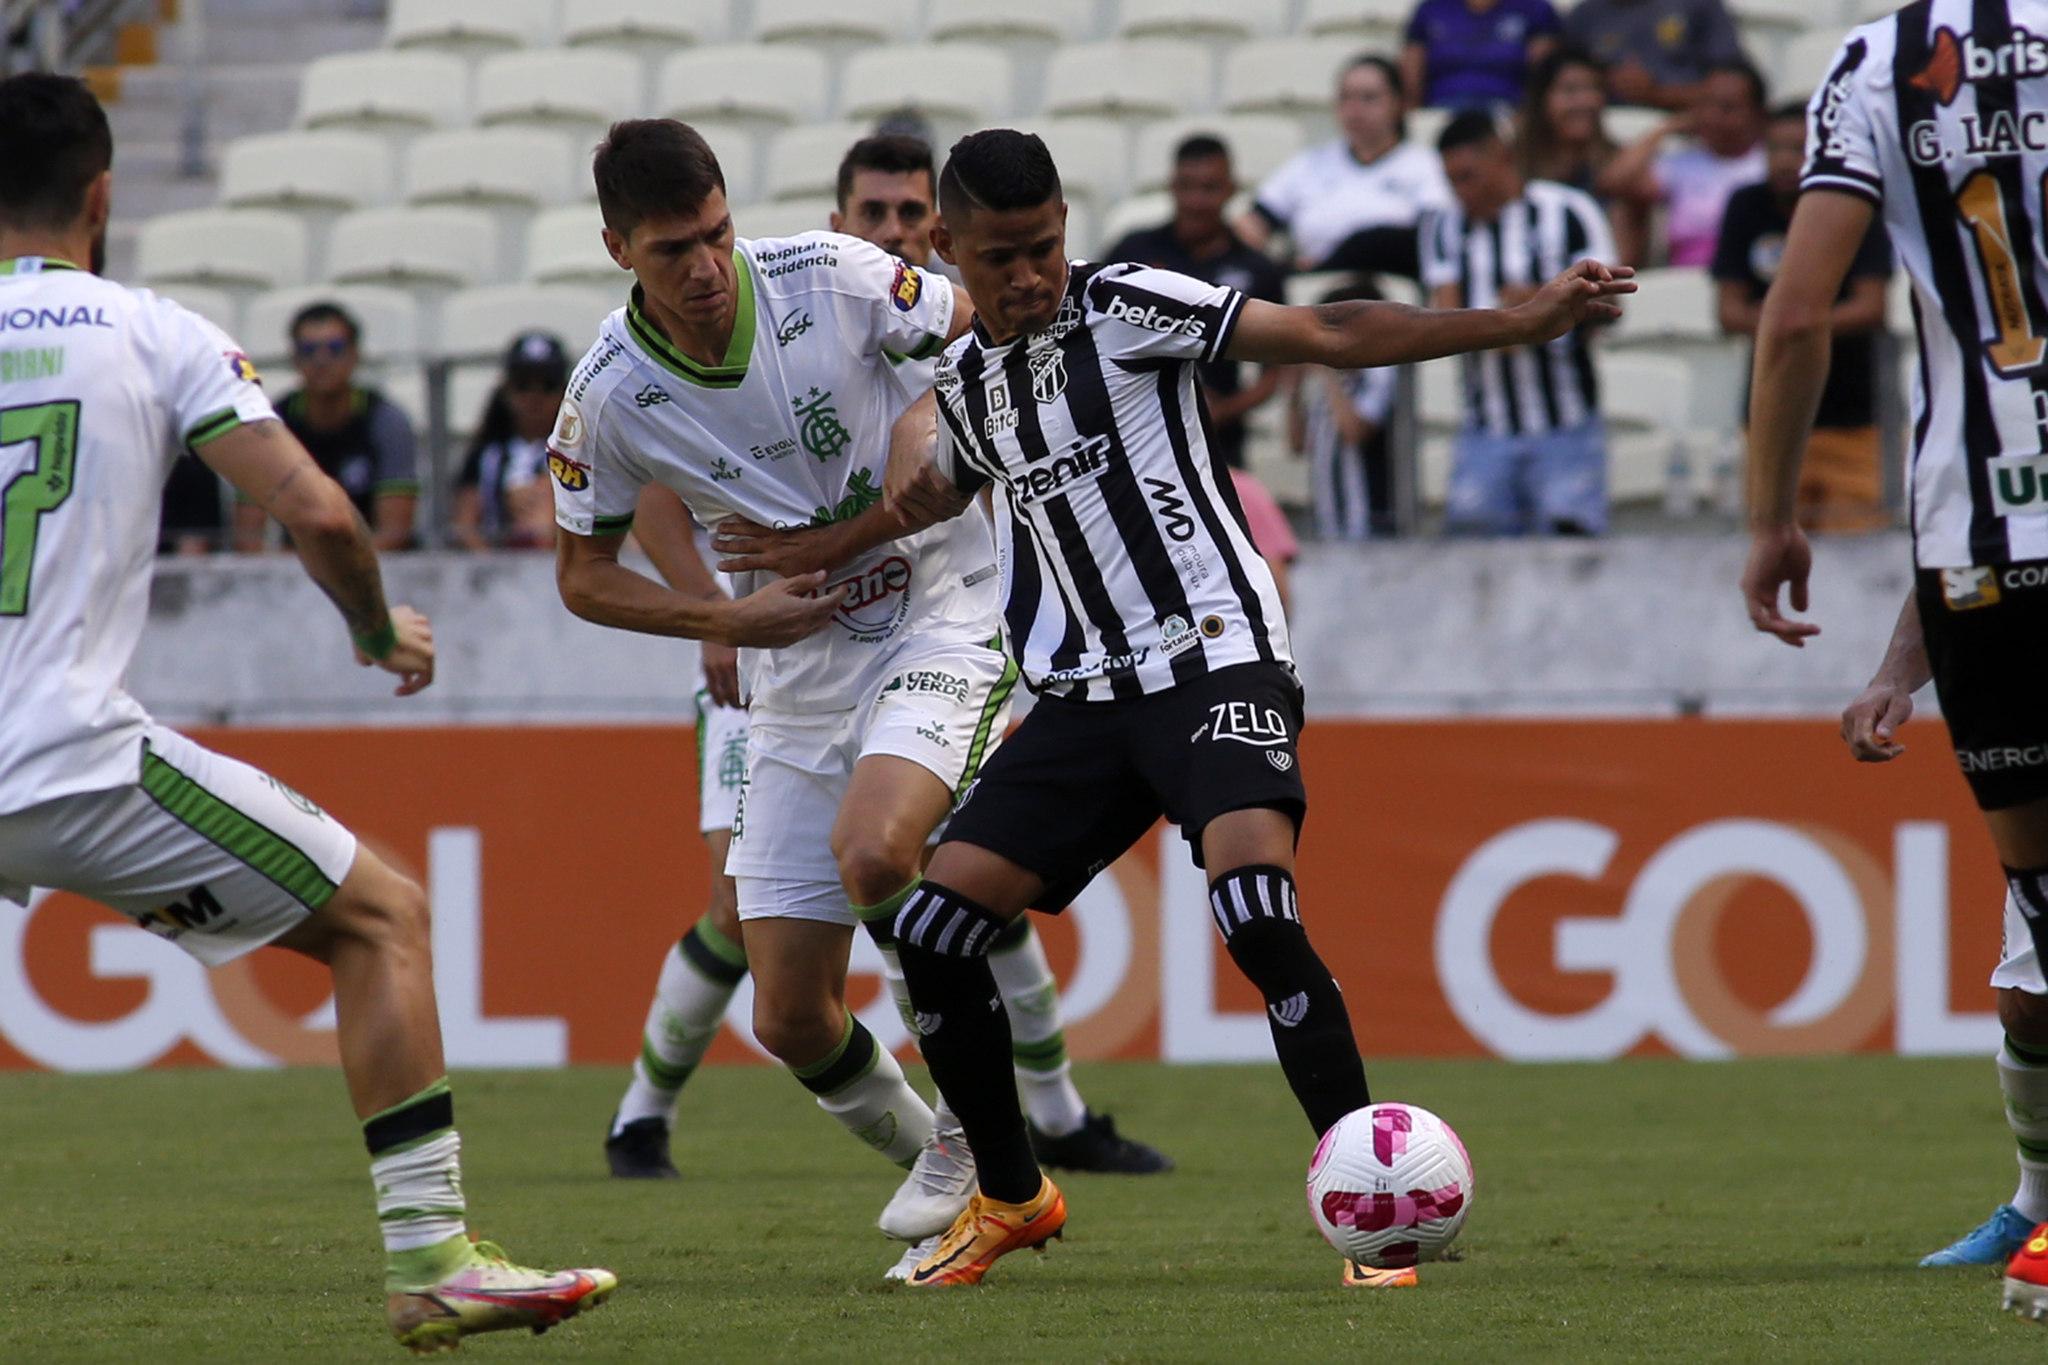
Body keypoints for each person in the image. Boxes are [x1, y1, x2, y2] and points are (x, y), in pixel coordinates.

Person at [797, 127, 1628, 1289]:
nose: (1030, 276)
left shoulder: (1130, 305)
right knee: (934, 937)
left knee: (1252, 908)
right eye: (1000, 259)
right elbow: (923, 499)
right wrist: (809, 553)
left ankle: (1373, 1223)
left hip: (1212, 663)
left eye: (1043, 248)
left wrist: (1519, 319)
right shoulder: (970, 391)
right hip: (1085, 701)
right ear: (947, 250)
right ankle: (1008, 1195)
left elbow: (1330, 332)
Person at [0, 73, 614, 1352]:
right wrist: (376, 628)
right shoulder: (151, 332)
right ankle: (437, 1258)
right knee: (382, 918)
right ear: (102, 197)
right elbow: (322, 510)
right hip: (59, 756)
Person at [550, 118, 1148, 1279]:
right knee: (786, 1017)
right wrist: (728, 619)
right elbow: (580, 576)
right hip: (791, 676)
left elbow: (976, 329)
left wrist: (927, 423)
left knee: (876, 854)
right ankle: (973, 1173)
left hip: (940, 609)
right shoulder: (609, 396)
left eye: (718, 232)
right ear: (620, 248)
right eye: (675, 249)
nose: (708, 266)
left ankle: (984, 1130)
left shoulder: (828, 275)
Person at [1738, 1, 2048, 1324]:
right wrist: (1894, 668)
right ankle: (2037, 1207)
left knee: (2040, 897)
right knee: (2030, 955)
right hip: (1971, 557)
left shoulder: (1875, 63)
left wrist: (1769, 515)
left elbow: (1800, 313)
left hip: (1988, 543)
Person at [1425, 111, 1616, 536]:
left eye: (1468, 175)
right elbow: (1446, 323)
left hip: (1566, 425)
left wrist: (1531, 306)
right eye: (1451, 179)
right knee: (1477, 566)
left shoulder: (1567, 210)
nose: (1459, 191)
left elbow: (1606, 299)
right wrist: (1524, 315)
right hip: (1485, 428)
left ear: (1501, 157)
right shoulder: (1443, 226)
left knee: (1573, 559)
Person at [1712, 102, 1891, 533]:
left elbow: (1872, 307)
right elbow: (1727, 311)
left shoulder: (1859, 203)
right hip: (1768, 417)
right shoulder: (1746, 206)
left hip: (1853, 420)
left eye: (1797, 148)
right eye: (1774, 148)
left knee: (1858, 559)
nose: (1784, 161)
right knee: (1770, 555)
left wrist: (1794, 323)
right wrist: (1795, 324)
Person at [1106, 134, 1287, 472]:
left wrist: (1220, 410)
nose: (1196, 200)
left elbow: (1274, 374)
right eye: (1187, 186)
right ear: (1171, 186)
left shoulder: (1258, 269)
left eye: (1209, 188)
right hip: (1132, 438)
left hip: (1219, 448)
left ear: (1231, 189)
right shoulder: (1132, 253)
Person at [1238, 55, 1451, 270]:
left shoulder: (1426, 165)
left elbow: (1433, 239)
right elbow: (1253, 222)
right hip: (1310, 291)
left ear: (1399, 104)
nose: (1355, 110)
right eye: (1346, 98)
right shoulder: (1310, 163)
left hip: (1393, 291)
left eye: (1369, 98)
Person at [236, 301, 417, 552]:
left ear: (355, 355)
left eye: (335, 348)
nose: (321, 360)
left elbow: (395, 533)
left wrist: (337, 571)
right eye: (309, 349)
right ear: (294, 358)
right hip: (292, 573)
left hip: (373, 570)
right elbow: (248, 536)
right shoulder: (270, 423)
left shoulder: (386, 422)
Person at [1600, 60, 1767, 268]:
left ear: (1758, 114)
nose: (1712, 116)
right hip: (1686, 281)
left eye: (1727, 108)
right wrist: (1666, 128)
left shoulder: (1770, 164)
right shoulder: (1683, 162)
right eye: (1706, 104)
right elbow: (1614, 183)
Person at [1517, 47, 1648, 265]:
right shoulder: (1514, 167)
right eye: (1570, 91)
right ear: (1542, 99)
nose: (1586, 101)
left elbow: (1623, 265)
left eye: (1594, 89)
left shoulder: (1617, 170)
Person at [1293, 284, 1400, 541]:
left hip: (1368, 515)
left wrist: (1326, 371)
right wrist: (1293, 392)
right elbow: (1296, 444)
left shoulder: (1379, 372)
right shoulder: (1324, 383)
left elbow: (1355, 431)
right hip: (1327, 516)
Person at [450, 331, 566, 550]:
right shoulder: (486, 456)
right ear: (506, 391)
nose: (535, 397)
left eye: (548, 386)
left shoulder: (582, 453)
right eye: (523, 385)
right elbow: (464, 525)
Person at [1562, 0, 1746, 111]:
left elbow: (1734, 90)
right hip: (1603, 141)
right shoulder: (1584, 15)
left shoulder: (1699, 5)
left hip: (1684, 135)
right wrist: (1601, 84)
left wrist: (1656, 93)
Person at [1400, 0, 1561, 112]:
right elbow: (1411, 80)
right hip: (1438, 111)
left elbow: (1544, 76)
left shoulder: (1535, 9)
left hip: (1511, 112)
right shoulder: (1431, 9)